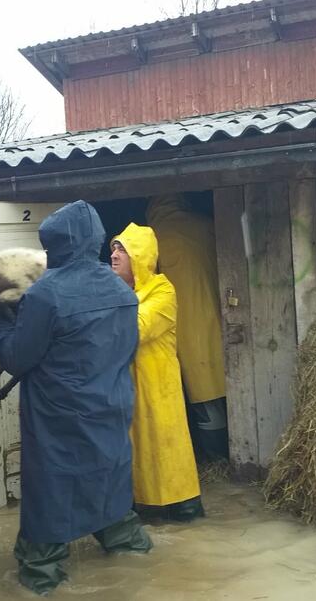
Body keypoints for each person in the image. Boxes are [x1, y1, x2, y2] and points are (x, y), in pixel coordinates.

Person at [0, 201, 152, 596]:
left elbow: (17, 359)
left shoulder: (45, 295)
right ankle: (137, 559)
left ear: (54, 245)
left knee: (50, 510)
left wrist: (3, 316)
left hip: (58, 424)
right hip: (111, 412)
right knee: (112, 495)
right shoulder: (122, 291)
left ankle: (41, 576)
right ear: (95, 239)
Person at [111, 223, 203, 521]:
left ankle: (184, 506)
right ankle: (143, 507)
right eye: (113, 247)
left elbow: (135, 327)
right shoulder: (113, 292)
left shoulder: (163, 289)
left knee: (166, 447)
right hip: (127, 387)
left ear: (141, 255)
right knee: (137, 449)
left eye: (122, 249)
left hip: (159, 387)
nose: (114, 254)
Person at [146, 194, 228, 460]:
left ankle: (212, 458)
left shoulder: (152, 238)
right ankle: (230, 454)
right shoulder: (205, 224)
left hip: (176, 325)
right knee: (220, 386)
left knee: (197, 392)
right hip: (218, 313)